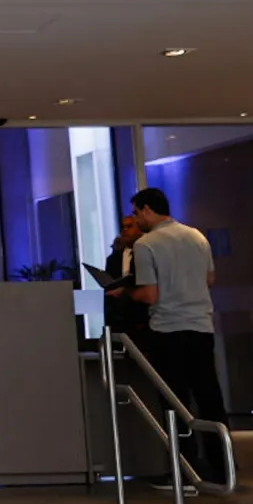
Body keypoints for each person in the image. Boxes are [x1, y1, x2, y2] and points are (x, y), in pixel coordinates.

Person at [129, 187, 227, 488]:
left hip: (168, 330)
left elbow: (149, 293)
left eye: (136, 213)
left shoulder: (146, 245)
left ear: (147, 210)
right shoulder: (197, 237)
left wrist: (126, 293)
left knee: (175, 401)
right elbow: (210, 279)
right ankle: (223, 467)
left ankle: (185, 469)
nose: (136, 219)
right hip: (201, 326)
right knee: (209, 398)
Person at [104, 213, 149, 337]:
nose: (125, 230)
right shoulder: (113, 259)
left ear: (139, 227)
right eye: (123, 227)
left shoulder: (147, 252)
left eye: (129, 226)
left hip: (144, 316)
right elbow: (108, 285)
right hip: (119, 317)